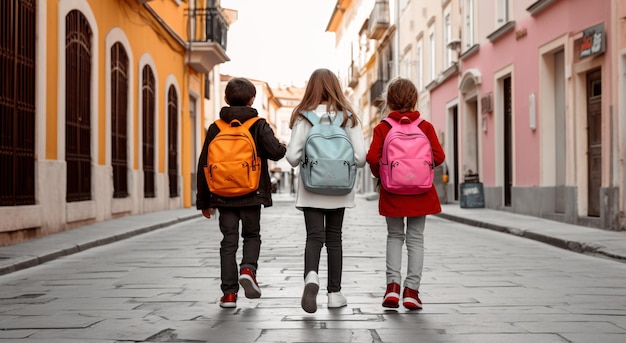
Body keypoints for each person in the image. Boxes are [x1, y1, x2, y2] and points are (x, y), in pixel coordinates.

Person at [196, 77, 286, 308]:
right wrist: (284, 146)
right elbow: (276, 152)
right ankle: (248, 269)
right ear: (252, 99)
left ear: (226, 99)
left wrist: (204, 201)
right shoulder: (258, 124)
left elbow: (204, 163)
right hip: (251, 193)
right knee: (251, 236)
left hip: (223, 195)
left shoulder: (216, 127)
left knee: (228, 242)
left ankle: (228, 294)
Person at [285, 68, 366, 313]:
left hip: (311, 188)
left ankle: (311, 276)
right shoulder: (348, 117)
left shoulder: (303, 117)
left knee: (314, 237)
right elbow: (361, 158)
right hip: (339, 190)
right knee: (334, 239)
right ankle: (334, 293)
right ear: (336, 87)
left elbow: (291, 157)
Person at [365, 78, 445, 310]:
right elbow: (439, 157)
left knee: (394, 236)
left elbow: (371, 158)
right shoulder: (425, 127)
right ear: (414, 100)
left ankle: (392, 288)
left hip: (393, 191)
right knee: (416, 239)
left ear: (389, 102)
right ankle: (412, 292)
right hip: (421, 192)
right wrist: (420, 168)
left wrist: (384, 173)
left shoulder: (383, 128)